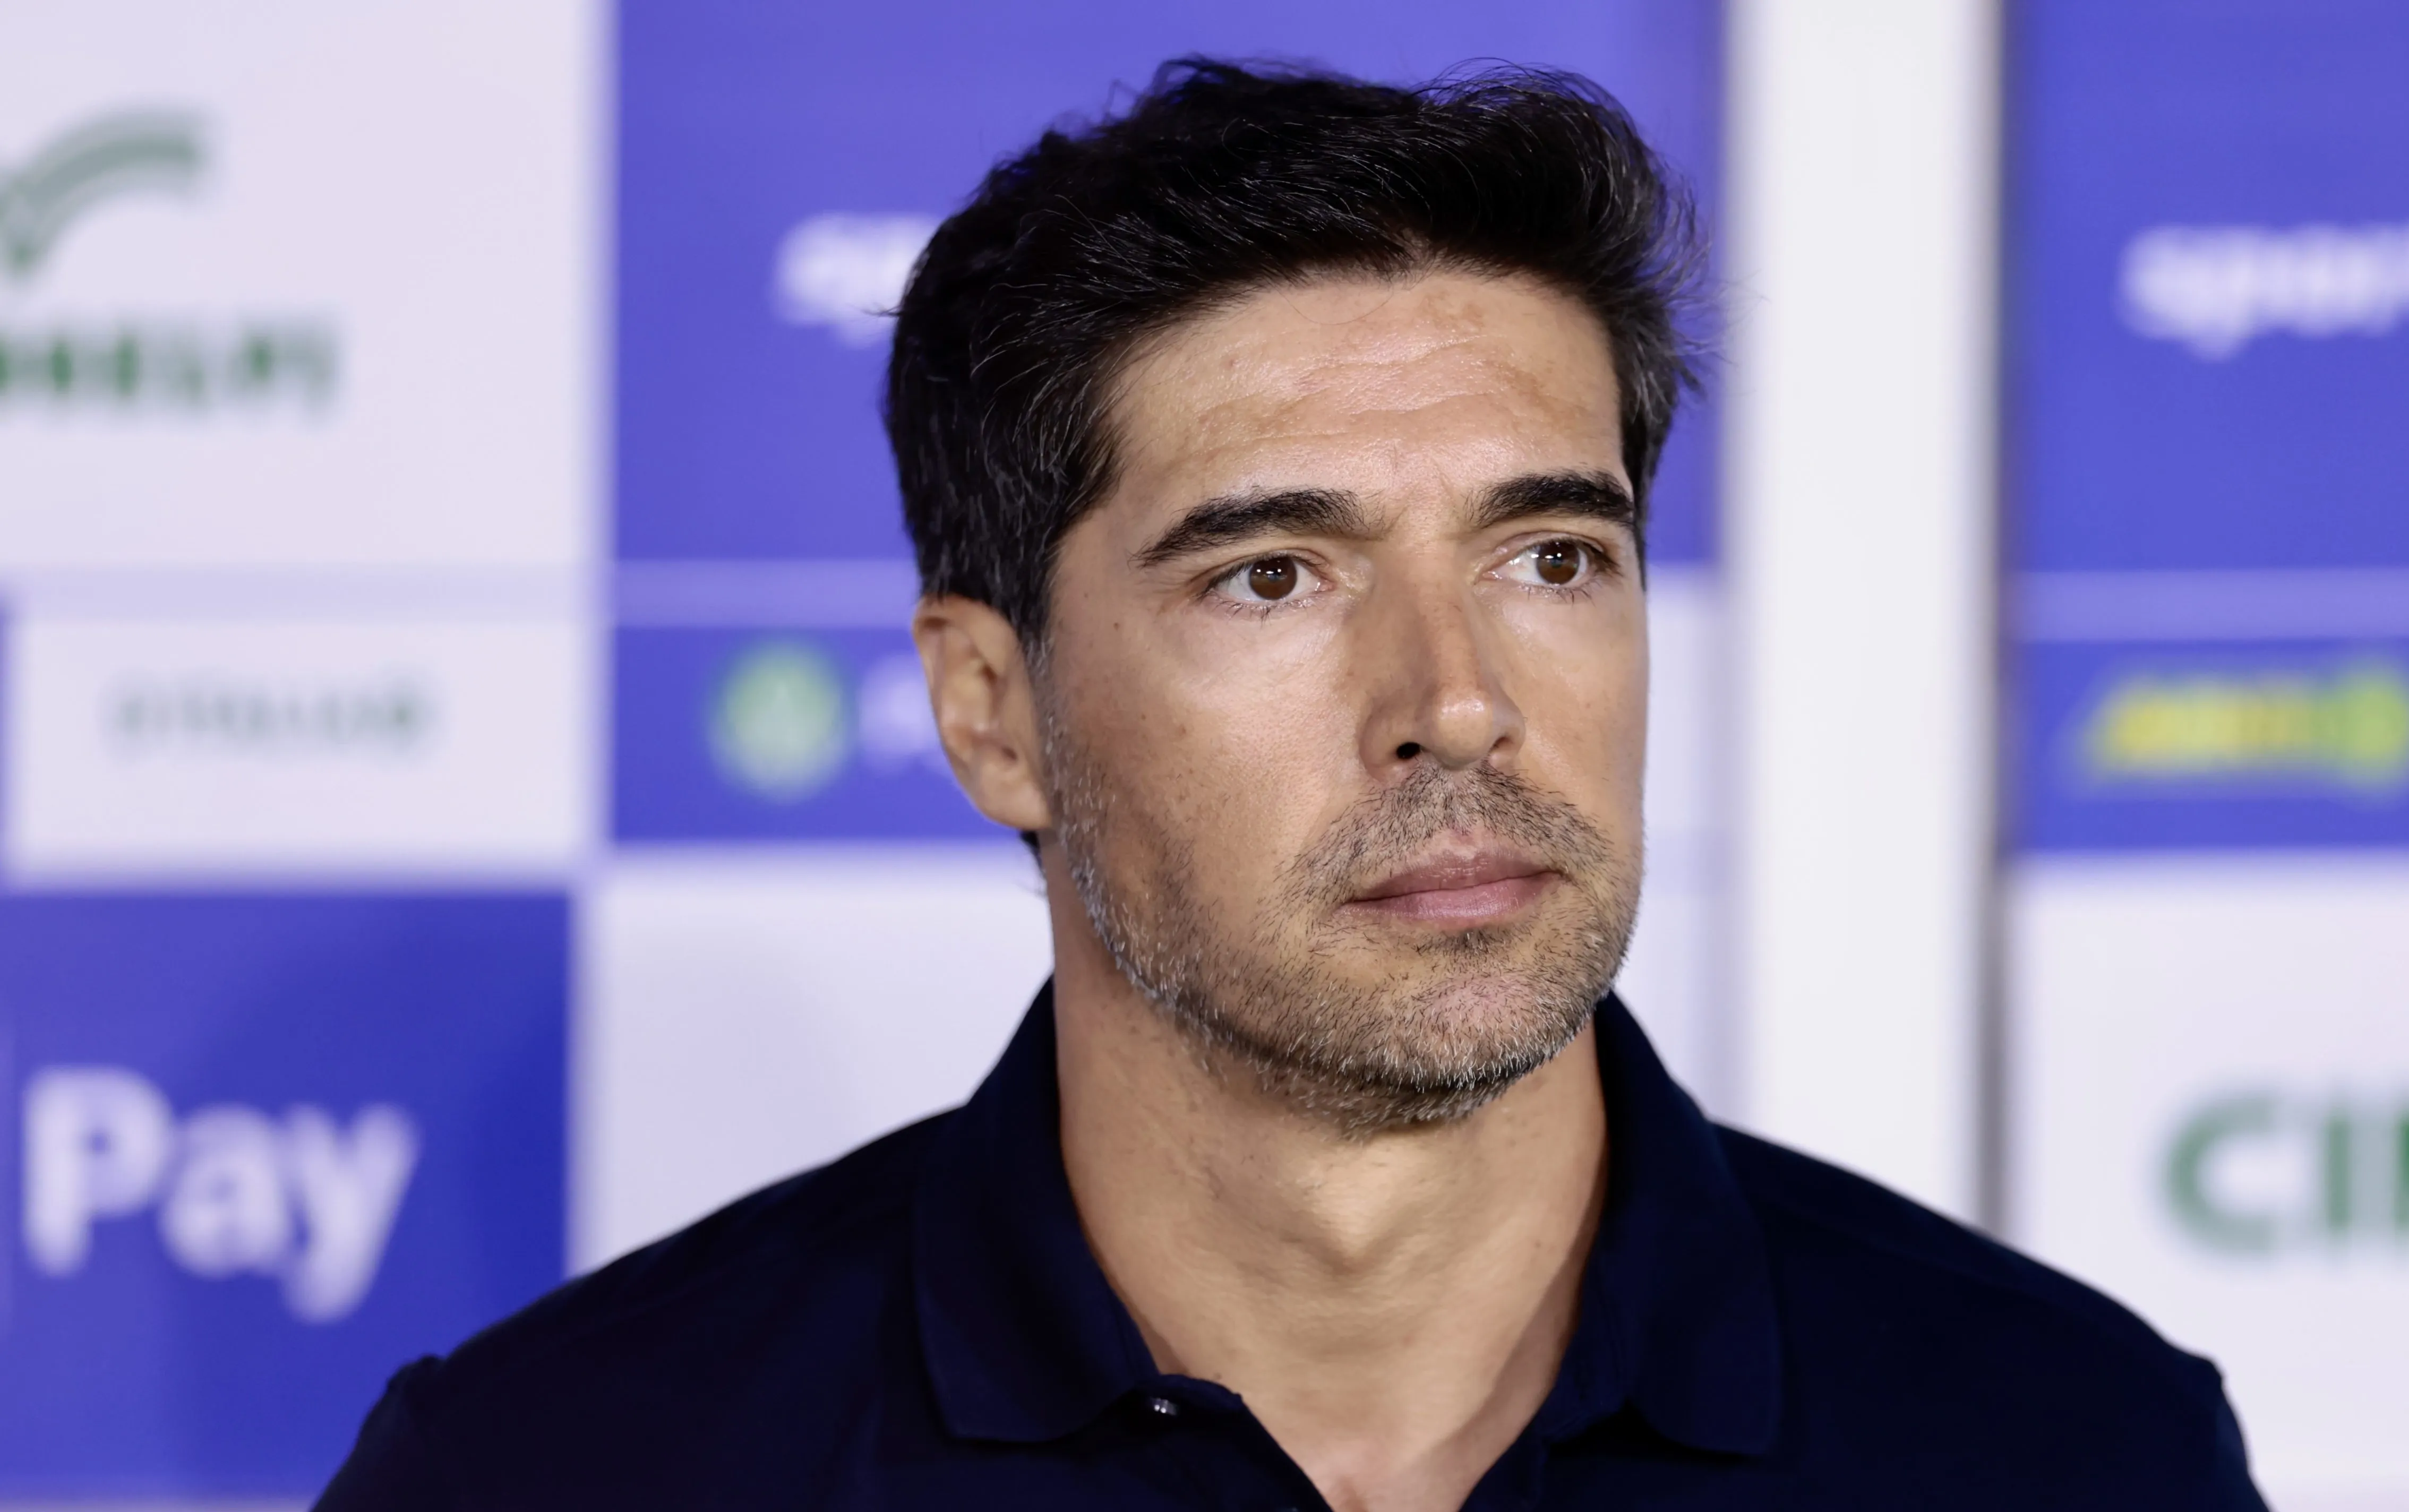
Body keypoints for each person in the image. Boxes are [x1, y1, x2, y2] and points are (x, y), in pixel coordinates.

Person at [317, 62, 2265, 1511]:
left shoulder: (2065, 1448)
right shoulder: (557, 1472)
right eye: (1275, 576)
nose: (1459, 703)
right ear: (993, 710)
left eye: (1550, 558)